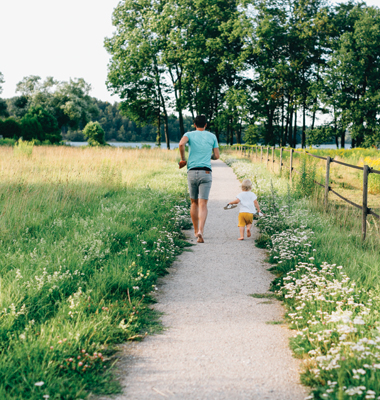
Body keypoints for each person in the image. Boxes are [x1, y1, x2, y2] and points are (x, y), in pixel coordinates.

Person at [178, 115, 220, 243]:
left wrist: (183, 159)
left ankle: (196, 231)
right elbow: (217, 156)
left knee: (194, 203)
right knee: (203, 204)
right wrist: (210, 156)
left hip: (192, 171)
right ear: (205, 125)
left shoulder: (189, 134)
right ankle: (201, 230)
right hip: (205, 172)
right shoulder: (212, 136)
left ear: (194, 125)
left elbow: (181, 144)